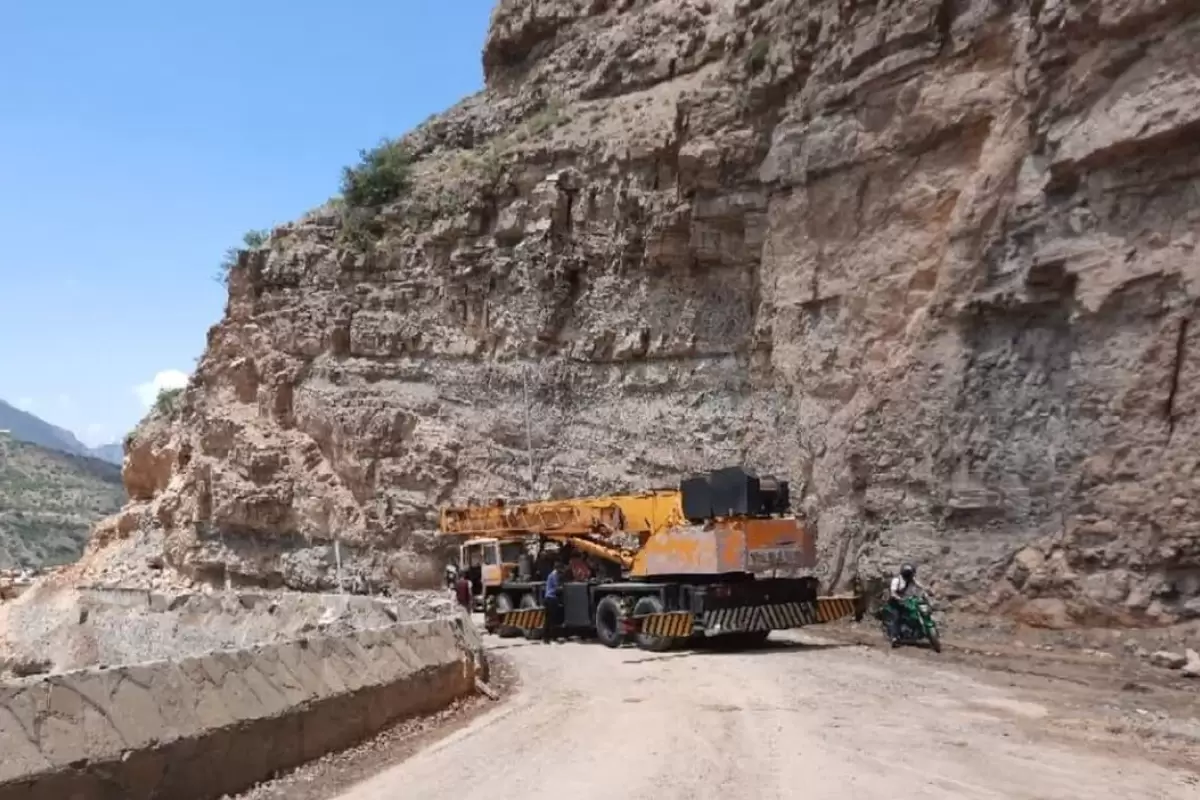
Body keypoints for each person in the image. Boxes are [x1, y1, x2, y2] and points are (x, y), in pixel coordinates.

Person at [888, 563, 926, 646]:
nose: (912, 576)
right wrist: (899, 598)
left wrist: (926, 589)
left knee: (914, 613)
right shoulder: (896, 580)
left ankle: (918, 632)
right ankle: (894, 637)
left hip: (906, 601)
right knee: (896, 618)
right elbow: (893, 592)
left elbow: (918, 584)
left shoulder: (910, 579)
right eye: (911, 574)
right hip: (896, 602)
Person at [541, 561, 567, 644]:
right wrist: (563, 588)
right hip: (551, 599)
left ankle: (547, 638)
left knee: (549, 620)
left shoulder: (551, 575)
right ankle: (550, 638)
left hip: (548, 598)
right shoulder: (554, 576)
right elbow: (557, 588)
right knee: (551, 620)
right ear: (558, 568)